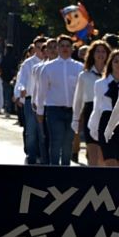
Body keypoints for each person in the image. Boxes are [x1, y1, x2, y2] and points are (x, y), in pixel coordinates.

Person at [36, 35, 83, 165]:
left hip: (72, 111)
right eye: (62, 46)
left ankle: (65, 172)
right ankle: (54, 171)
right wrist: (40, 112)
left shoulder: (79, 67)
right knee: (56, 142)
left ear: (72, 48)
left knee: (68, 143)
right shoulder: (48, 68)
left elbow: (81, 93)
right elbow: (42, 92)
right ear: (57, 48)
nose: (65, 48)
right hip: (54, 110)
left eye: (68, 46)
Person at [88, 49, 119, 166]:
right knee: (109, 160)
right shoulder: (100, 83)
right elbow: (97, 107)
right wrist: (93, 127)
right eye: (116, 61)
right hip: (106, 121)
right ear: (110, 63)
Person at [72, 40, 110, 166]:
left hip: (107, 113)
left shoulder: (113, 75)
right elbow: (78, 99)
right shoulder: (84, 75)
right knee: (92, 152)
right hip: (90, 111)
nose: (100, 54)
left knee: (104, 155)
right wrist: (76, 119)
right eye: (97, 51)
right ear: (92, 54)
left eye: (103, 51)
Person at [15, 35, 46, 164]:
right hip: (30, 100)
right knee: (31, 130)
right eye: (38, 48)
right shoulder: (28, 63)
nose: (40, 50)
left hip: (45, 102)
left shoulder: (50, 62)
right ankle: (31, 156)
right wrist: (20, 91)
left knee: (43, 131)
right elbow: (21, 81)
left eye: (42, 47)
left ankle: (43, 157)